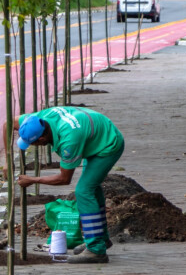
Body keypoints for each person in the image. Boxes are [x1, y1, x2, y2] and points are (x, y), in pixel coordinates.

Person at [8, 106, 125, 264]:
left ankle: (97, 250)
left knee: (84, 191)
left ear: (41, 140)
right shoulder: (39, 118)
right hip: (96, 131)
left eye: (31, 143)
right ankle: (100, 239)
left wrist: (33, 180)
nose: (30, 146)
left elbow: (64, 179)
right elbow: (8, 123)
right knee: (92, 189)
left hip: (108, 144)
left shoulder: (69, 140)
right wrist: (8, 162)